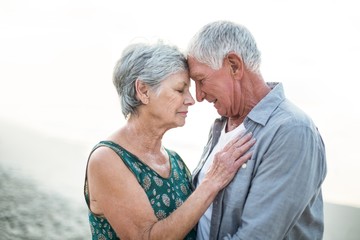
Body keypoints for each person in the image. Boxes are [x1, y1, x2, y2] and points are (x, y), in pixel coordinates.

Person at [83, 41, 256, 240]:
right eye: (180, 90)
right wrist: (212, 181)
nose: (192, 99)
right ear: (143, 91)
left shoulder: (175, 161)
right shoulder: (107, 160)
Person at [187, 21, 327, 240]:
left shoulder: (292, 131)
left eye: (201, 80)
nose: (198, 96)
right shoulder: (221, 126)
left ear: (234, 65)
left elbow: (257, 236)